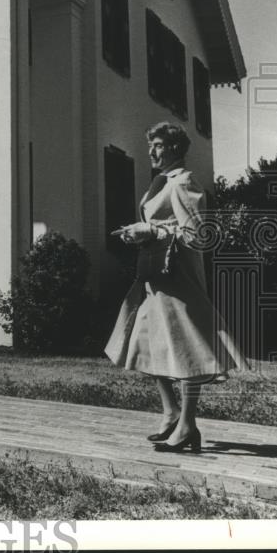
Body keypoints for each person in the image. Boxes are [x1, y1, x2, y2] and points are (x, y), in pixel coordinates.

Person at [104, 121, 245, 452]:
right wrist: (138, 232)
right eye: (150, 144)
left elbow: (197, 236)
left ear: (175, 149)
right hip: (154, 278)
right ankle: (171, 414)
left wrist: (152, 233)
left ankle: (187, 426)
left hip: (178, 281)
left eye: (157, 145)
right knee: (149, 345)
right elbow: (161, 225)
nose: (151, 150)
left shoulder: (184, 183)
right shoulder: (162, 182)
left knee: (186, 349)